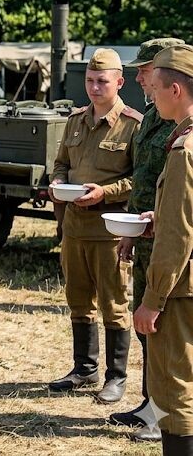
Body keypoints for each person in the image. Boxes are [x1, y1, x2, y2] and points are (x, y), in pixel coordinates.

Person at [48, 48, 141, 404]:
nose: (94, 87)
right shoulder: (75, 120)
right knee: (77, 299)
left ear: (119, 82)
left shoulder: (133, 124)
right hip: (74, 228)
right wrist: (58, 185)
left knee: (114, 303)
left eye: (102, 80)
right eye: (89, 80)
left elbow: (140, 180)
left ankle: (116, 377)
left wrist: (106, 191)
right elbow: (60, 164)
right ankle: (83, 368)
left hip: (110, 232)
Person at [111, 38, 185, 441]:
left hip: (172, 244)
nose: (140, 77)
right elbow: (146, 179)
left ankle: (168, 414)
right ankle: (153, 403)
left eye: (145, 69)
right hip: (149, 233)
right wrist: (133, 232)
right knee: (148, 329)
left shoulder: (182, 125)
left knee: (168, 332)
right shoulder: (157, 115)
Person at [133, 43, 193, 455]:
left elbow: (178, 236)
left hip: (181, 289)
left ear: (175, 91)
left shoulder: (183, 151)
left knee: (176, 393)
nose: (150, 97)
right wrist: (160, 216)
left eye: (154, 89)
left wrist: (152, 300)